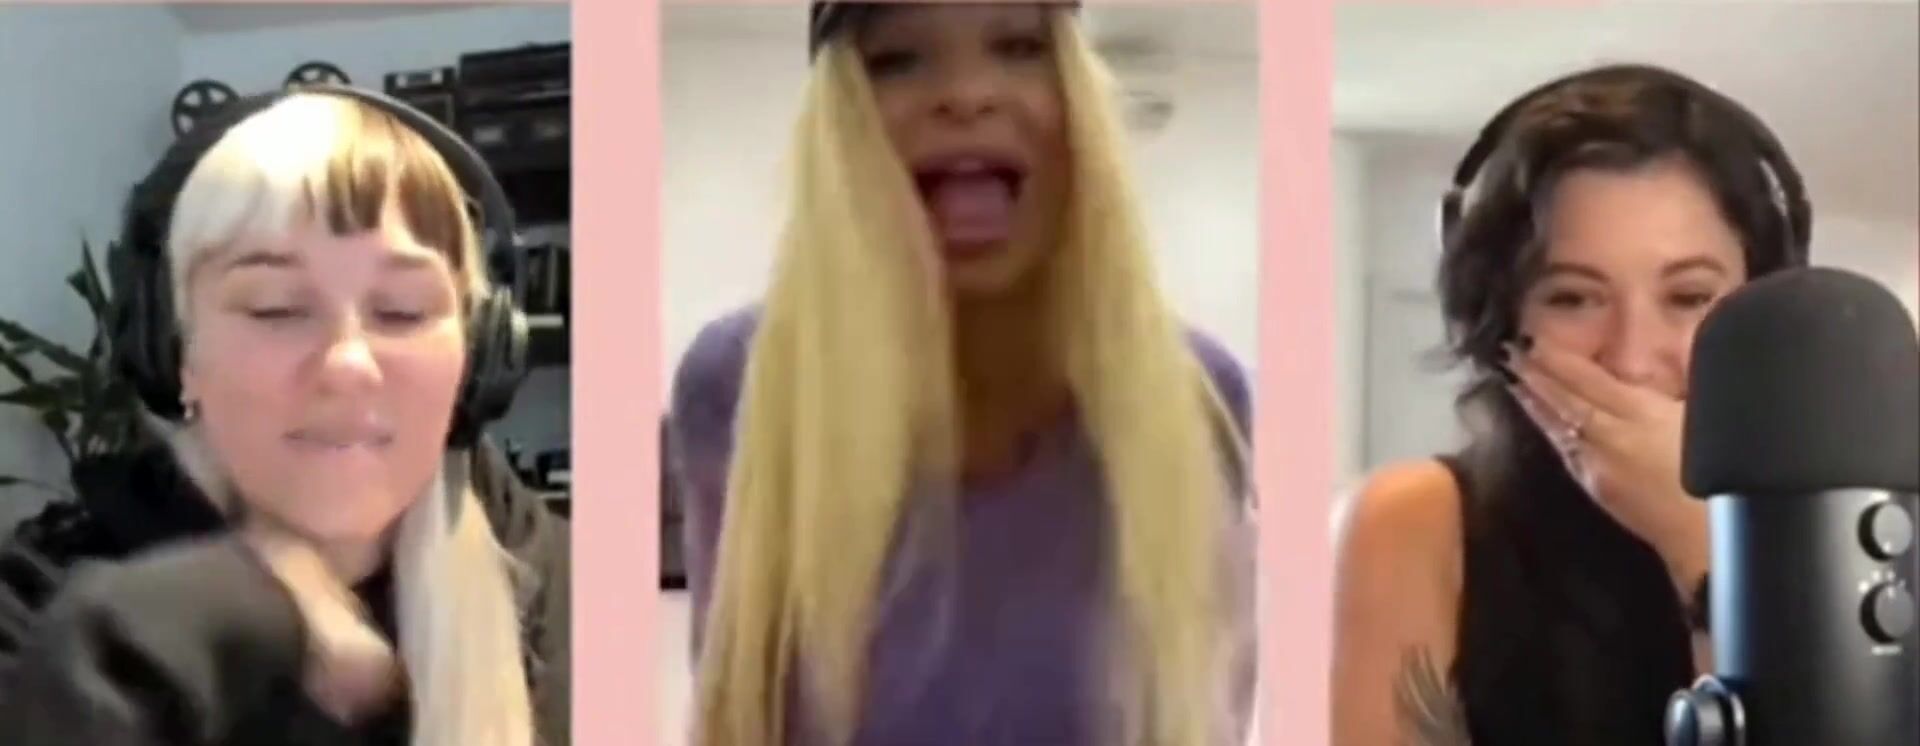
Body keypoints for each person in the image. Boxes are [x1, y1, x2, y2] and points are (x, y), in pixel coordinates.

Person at [666, 3, 1255, 746]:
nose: (967, 95)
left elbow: (1211, 712)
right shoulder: (739, 386)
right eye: (898, 59)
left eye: (1018, 46)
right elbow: (735, 711)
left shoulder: (1197, 401)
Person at [0, 87, 571, 746]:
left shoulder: (559, 582)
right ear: (175, 349)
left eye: (402, 311)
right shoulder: (39, 618)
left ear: (481, 355)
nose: (349, 364)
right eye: (275, 308)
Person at [1331, 63, 1812, 746]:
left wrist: (1699, 545)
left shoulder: (1848, 536)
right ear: (1503, 323)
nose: (1631, 359)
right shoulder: (1418, 523)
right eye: (1574, 298)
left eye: (1688, 298)